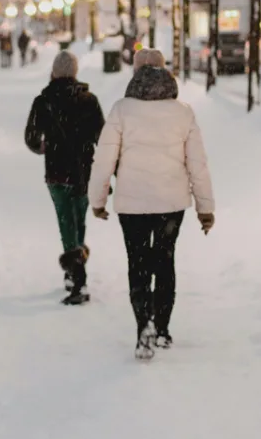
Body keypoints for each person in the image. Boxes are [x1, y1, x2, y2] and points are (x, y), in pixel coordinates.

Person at [88, 48, 215, 359]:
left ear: (135, 74)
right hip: (171, 203)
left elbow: (104, 160)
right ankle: (162, 329)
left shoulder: (122, 110)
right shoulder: (182, 112)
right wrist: (205, 208)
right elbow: (197, 164)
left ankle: (143, 324)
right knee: (165, 261)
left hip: (132, 205)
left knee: (138, 264)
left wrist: (98, 200)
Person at [24, 51, 105, 305]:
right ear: (75, 72)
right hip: (83, 172)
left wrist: (45, 147)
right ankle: (74, 270)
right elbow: (102, 137)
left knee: (66, 222)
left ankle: (78, 280)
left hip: (57, 171)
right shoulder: (89, 100)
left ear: (54, 72)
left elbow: (31, 137)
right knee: (78, 220)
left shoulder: (44, 101)